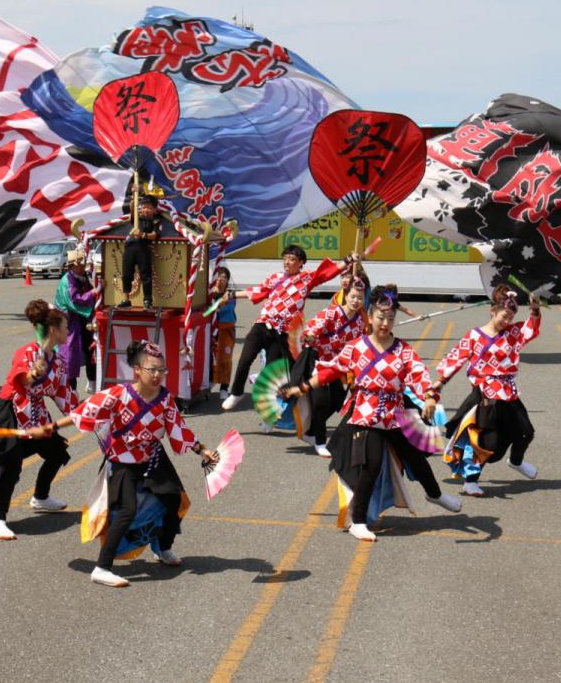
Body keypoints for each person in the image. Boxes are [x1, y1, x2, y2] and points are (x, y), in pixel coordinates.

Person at [298, 286, 461, 541]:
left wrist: (430, 396)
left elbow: (419, 375)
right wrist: (304, 386)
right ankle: (358, 522)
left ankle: (435, 493)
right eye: (380, 318)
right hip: (365, 414)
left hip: (395, 414)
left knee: (416, 455)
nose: (385, 323)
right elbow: (332, 369)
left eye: (390, 319)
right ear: (370, 318)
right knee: (370, 465)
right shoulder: (356, 347)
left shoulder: (403, 350)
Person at [68, 340, 219, 587]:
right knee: (126, 511)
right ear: (137, 370)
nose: (158, 374)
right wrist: (50, 427)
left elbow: (178, 429)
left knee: (174, 500)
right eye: (152, 369)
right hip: (123, 462)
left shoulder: (165, 398)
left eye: (162, 370)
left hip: (153, 459)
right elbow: (85, 412)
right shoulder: (118, 394)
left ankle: (163, 547)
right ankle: (102, 567)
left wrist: (203, 450)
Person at [431, 284, 542, 497]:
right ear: (492, 311)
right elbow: (457, 358)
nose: (507, 321)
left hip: (508, 392)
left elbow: (530, 328)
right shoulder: (474, 335)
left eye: (510, 317)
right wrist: (440, 381)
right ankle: (470, 482)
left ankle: (516, 462)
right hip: (485, 396)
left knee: (526, 432)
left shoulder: (512, 333)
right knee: (484, 442)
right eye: (503, 316)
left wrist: (535, 310)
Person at [0, 300, 78, 540]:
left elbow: (62, 394)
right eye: (66, 326)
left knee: (56, 452)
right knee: (10, 465)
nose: (69, 331)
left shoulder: (60, 361)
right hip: (10, 411)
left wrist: (87, 414)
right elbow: (21, 381)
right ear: (53, 329)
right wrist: (34, 372)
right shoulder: (27, 352)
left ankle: (41, 497)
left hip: (35, 414)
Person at [221, 246, 351, 411]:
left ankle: (272, 410)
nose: (287, 263)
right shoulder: (275, 277)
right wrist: (232, 294)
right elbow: (258, 290)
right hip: (263, 323)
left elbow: (326, 273)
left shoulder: (306, 278)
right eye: (285, 259)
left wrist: (347, 261)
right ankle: (237, 392)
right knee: (245, 359)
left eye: (292, 259)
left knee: (271, 373)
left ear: (301, 262)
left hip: (282, 332)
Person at [286, 276, 368, 458]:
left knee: (338, 400)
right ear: (345, 296)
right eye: (353, 296)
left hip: (337, 365)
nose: (356, 301)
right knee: (321, 401)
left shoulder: (360, 323)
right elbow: (312, 328)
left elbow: (359, 345)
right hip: (318, 361)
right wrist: (310, 336)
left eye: (360, 298)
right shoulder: (331, 313)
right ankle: (320, 441)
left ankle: (311, 432)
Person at [55, 250, 98, 392]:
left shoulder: (82, 277)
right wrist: (94, 292)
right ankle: (70, 391)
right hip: (68, 323)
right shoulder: (67, 281)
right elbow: (75, 300)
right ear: (72, 266)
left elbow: (89, 291)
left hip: (83, 319)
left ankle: (92, 382)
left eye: (83, 264)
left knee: (91, 348)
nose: (82, 267)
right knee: (69, 356)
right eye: (79, 264)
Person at [118, 194, 163, 309]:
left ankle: (147, 301)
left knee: (145, 275)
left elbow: (154, 235)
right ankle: (126, 299)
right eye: (144, 207)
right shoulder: (137, 219)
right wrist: (134, 196)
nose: (146, 210)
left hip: (143, 248)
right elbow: (132, 209)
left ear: (154, 209)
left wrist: (143, 234)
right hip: (130, 248)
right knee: (126, 274)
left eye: (149, 207)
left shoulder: (156, 221)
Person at [208, 267, 237, 397]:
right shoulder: (209, 293)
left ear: (227, 280)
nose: (221, 279)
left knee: (225, 358)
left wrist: (216, 305)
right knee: (211, 357)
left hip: (227, 329)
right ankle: (211, 381)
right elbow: (207, 310)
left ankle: (224, 387)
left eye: (224, 277)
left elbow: (228, 307)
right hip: (212, 329)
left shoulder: (230, 293)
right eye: (219, 277)